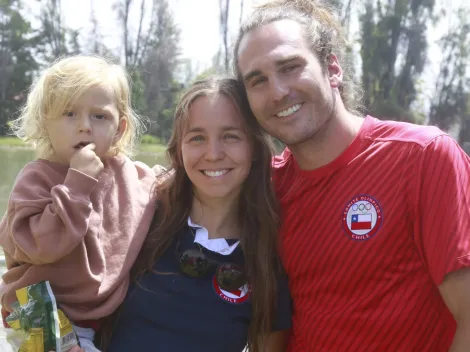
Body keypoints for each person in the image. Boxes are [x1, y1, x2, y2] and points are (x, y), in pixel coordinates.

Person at [233, 0, 470, 351]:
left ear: (332, 68)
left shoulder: (421, 158)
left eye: (290, 67)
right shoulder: (266, 189)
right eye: (258, 81)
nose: (278, 92)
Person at [78, 76, 290, 352]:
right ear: (179, 148)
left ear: (254, 148)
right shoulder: (140, 215)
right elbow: (52, 271)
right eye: (197, 138)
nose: (213, 154)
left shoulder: (268, 254)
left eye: (230, 136)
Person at [0, 56, 158, 351]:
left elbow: (161, 186)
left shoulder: (128, 175)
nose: (84, 126)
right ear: (47, 120)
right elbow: (39, 246)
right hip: (35, 307)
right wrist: (76, 185)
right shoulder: (36, 178)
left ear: (120, 128)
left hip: (96, 314)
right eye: (70, 113)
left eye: (99, 116)